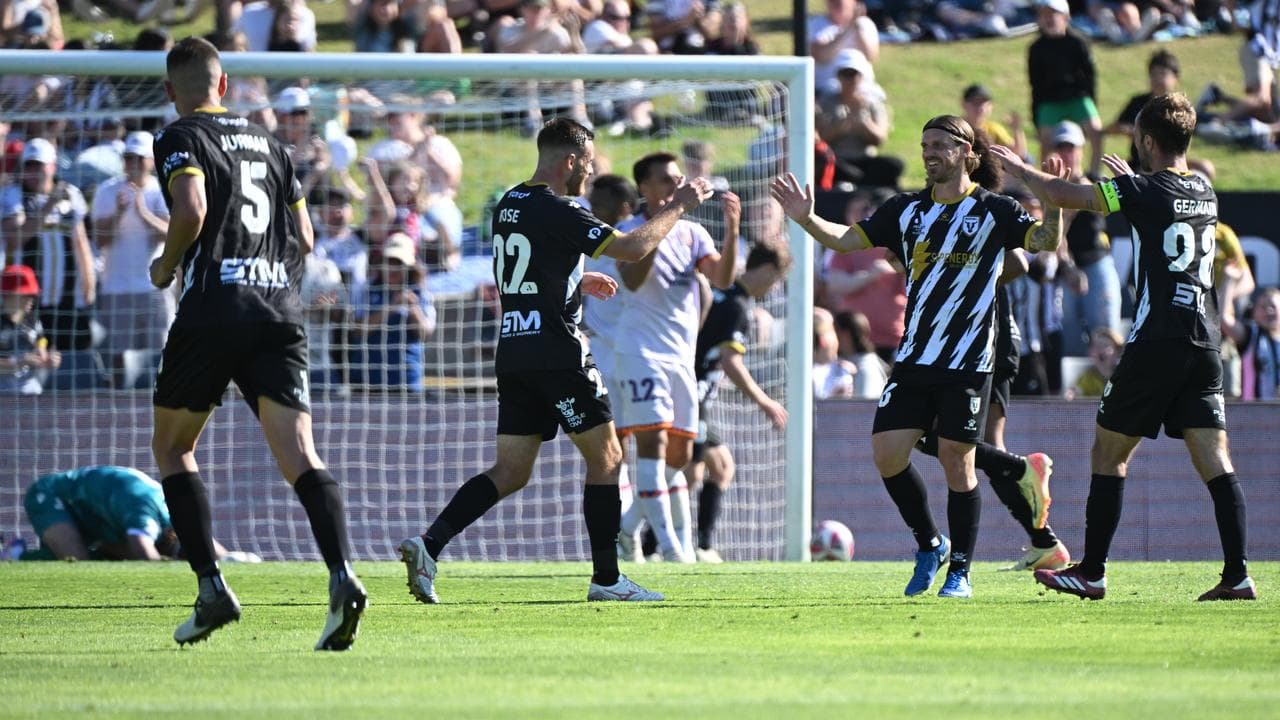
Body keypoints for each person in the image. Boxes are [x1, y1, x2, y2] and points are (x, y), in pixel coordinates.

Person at [397, 118, 715, 603]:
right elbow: (631, 249)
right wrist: (677, 206)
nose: (588, 175)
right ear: (569, 161)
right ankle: (608, 580)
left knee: (510, 470)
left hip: (516, 349)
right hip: (557, 351)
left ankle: (429, 544)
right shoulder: (561, 208)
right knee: (608, 459)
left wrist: (573, 280)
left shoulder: (508, 203)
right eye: (586, 164)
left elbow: (520, 271)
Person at [773, 114, 1063, 599]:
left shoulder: (994, 209)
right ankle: (931, 543)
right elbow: (847, 239)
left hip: (968, 361)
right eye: (925, 144)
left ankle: (960, 573)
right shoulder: (905, 209)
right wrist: (805, 218)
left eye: (941, 145)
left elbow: (1043, 243)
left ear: (969, 154)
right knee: (888, 454)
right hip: (914, 357)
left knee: (957, 462)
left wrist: (1053, 204)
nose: (930, 153)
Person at [991, 92, 1258, 601]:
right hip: (1203, 341)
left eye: (1138, 136)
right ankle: (1237, 572)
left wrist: (1019, 168)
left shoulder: (1140, 190)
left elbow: (1069, 197)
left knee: (1109, 452)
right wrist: (1125, 184)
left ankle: (1091, 571)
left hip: (1156, 340)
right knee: (1214, 457)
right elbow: (1149, 203)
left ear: (1149, 140)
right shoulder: (1204, 191)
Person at [148, 37, 366, 649]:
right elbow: (304, 235)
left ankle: (212, 588)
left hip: (214, 307)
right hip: (278, 309)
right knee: (300, 455)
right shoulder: (273, 146)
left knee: (173, 447)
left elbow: (190, 210)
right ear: (224, 85)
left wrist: (167, 265)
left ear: (173, 94)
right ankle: (342, 574)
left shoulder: (179, 136)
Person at [613, 151, 739, 563]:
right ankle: (671, 550)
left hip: (681, 358)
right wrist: (670, 214)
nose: (676, 185)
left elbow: (722, 278)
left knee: (681, 457)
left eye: (677, 178)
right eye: (666, 180)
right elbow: (632, 279)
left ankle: (627, 528)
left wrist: (733, 228)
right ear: (644, 189)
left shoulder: (693, 233)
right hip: (640, 352)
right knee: (653, 442)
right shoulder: (628, 232)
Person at [689, 242, 789, 562]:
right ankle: (643, 538)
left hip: (694, 393)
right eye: (776, 280)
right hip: (693, 392)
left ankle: (698, 546)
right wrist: (765, 402)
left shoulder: (727, 293)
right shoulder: (738, 307)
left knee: (717, 467)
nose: (773, 288)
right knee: (689, 472)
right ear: (769, 270)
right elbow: (731, 362)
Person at [20, 465, 254, 562]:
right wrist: (170, 569)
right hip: (51, 495)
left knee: (108, 559)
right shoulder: (146, 515)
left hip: (97, 511)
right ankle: (13, 556)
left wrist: (229, 560)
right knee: (78, 563)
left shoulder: (176, 515)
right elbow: (145, 553)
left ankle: (24, 553)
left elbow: (204, 543)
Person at [90, 131, 173, 377]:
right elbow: (100, 239)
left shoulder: (163, 190)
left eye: (139, 158)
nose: (133, 164)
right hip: (117, 288)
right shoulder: (107, 191)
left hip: (154, 288)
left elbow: (171, 234)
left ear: (150, 161)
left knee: (161, 355)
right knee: (118, 359)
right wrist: (119, 212)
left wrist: (143, 211)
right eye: (128, 158)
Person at [1, 138, 96, 352]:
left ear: (52, 166)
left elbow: (80, 240)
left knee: (71, 353)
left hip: (67, 295)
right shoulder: (13, 194)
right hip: (26, 297)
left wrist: (88, 282)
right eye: (29, 165)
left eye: (39, 165)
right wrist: (48, 206)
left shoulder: (71, 194)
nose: (34, 172)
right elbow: (15, 239)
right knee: (30, 352)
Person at [1047, 120, 1122, 357]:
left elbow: (1112, 205)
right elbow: (1053, 236)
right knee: (1069, 335)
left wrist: (1082, 192)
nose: (1067, 153)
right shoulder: (1049, 187)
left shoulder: (1097, 180)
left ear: (1081, 149)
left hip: (1098, 261)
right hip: (1067, 265)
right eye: (1062, 147)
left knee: (1107, 333)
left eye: (1072, 147)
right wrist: (1067, 266)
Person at [1027, 0, 1103, 175]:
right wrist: (1036, 118)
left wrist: (1091, 103)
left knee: (1096, 131)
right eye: (1044, 15)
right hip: (1049, 101)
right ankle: (1046, 178)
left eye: (1053, 14)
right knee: (1045, 142)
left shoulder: (1078, 42)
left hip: (1077, 97)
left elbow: (1089, 77)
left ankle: (1094, 173)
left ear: (1065, 17)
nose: (1049, 19)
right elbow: (1035, 84)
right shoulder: (1036, 48)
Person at [1107, 50, 1180, 168]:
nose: (1157, 79)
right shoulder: (1138, 102)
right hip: (1141, 163)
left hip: (1171, 164)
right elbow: (1111, 128)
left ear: (1176, 78)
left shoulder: (1179, 108)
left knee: (1204, 167)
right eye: (1154, 74)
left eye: (1163, 74)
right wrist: (1127, 130)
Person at [0, 263, 60, 394]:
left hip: (28, 387)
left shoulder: (33, 320)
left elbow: (41, 344)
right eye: (26, 294)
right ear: (8, 295)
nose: (31, 299)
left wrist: (48, 359)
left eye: (33, 295)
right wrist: (20, 363)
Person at [1221, 285, 1280, 400]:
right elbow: (1224, 319)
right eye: (1263, 307)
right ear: (1254, 313)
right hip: (1253, 411)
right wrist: (1229, 280)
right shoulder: (1250, 334)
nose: (1268, 310)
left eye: (1273, 306)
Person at [1065, 327, 1124, 399]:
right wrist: (1071, 394)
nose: (1100, 350)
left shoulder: (1123, 376)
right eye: (1096, 346)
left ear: (1117, 352)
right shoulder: (1087, 377)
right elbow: (1073, 393)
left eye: (1105, 345)